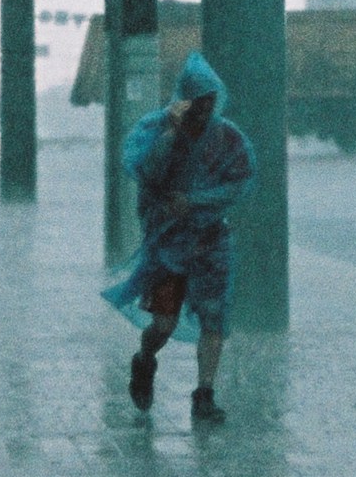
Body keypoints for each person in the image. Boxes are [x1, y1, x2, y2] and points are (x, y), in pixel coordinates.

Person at [104, 49, 255, 425]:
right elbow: (146, 173)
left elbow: (239, 183)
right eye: (196, 104)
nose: (203, 112)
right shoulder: (156, 130)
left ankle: (204, 394)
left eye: (208, 103)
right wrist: (171, 136)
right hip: (169, 249)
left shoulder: (228, 138)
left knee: (213, 320)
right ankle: (145, 359)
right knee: (164, 324)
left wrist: (197, 202)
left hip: (211, 243)